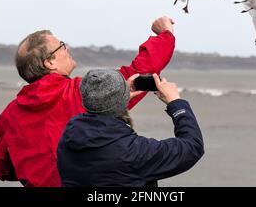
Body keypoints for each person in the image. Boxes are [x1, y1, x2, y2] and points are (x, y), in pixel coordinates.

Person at [0, 16, 175, 187]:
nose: (67, 48)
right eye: (61, 46)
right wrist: (165, 35)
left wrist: (35, 170)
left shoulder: (9, 115)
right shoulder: (80, 93)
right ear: (49, 63)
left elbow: (1, 168)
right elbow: (137, 73)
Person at [57, 70, 204, 187]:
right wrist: (176, 103)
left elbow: (101, 122)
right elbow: (192, 146)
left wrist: (118, 102)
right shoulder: (132, 152)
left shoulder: (69, 136)